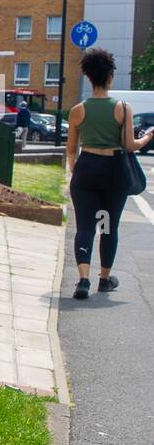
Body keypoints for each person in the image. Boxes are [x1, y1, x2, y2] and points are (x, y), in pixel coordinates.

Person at [66, 48, 153, 299]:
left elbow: (72, 150)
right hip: (113, 173)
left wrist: (77, 170)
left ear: (89, 77)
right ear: (110, 77)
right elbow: (129, 145)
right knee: (107, 226)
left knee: (84, 226)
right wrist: (148, 135)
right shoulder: (123, 108)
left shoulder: (77, 110)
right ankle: (104, 279)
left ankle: (82, 279)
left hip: (87, 170)